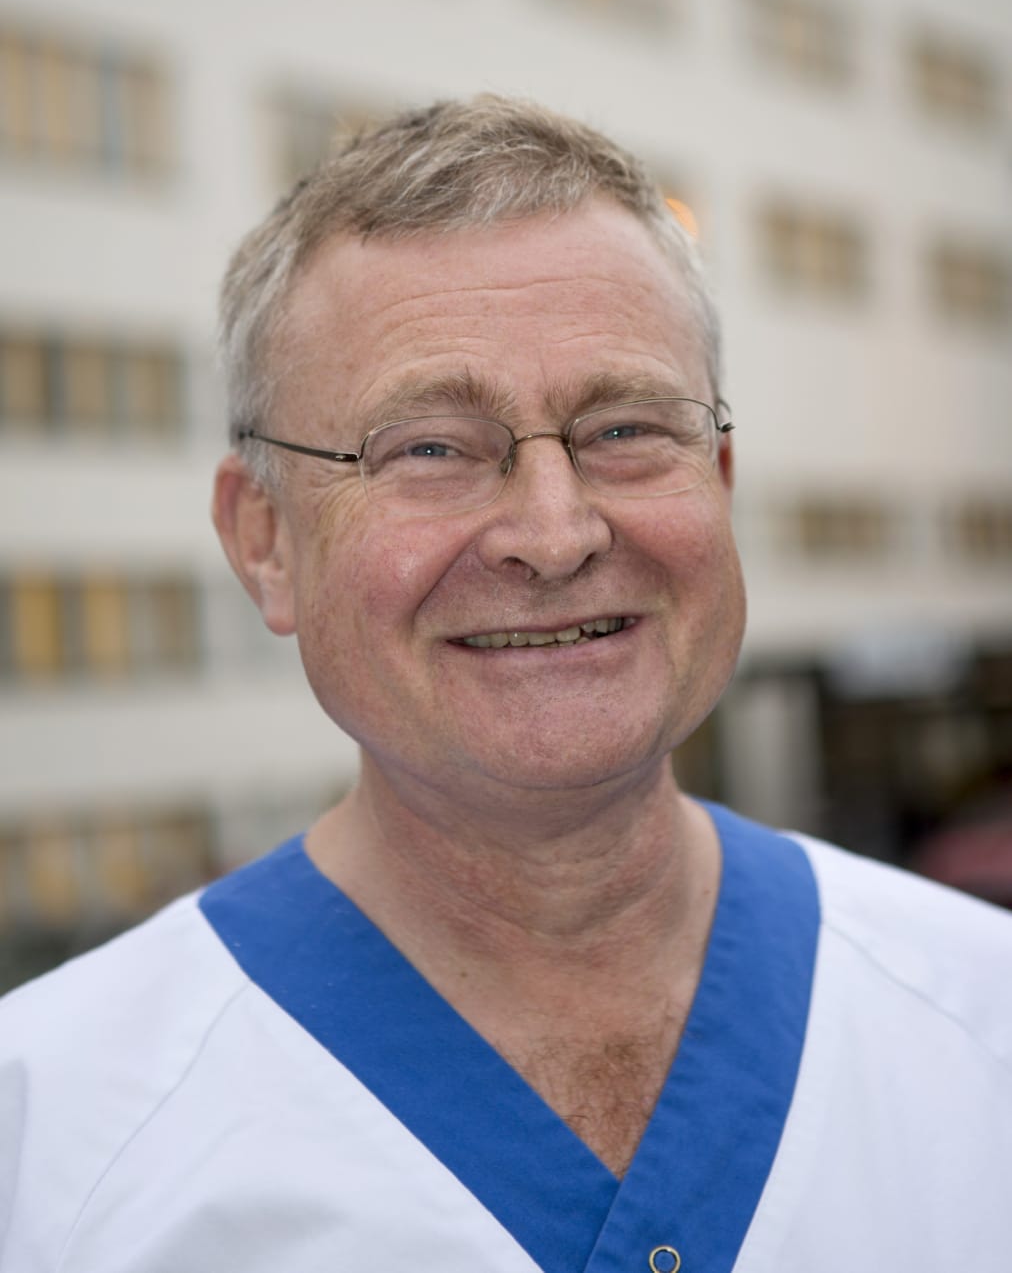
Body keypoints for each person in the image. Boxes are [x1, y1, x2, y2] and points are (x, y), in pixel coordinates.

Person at [1, 96, 1010, 1273]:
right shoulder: (50, 1140)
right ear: (264, 538)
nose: (554, 532)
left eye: (625, 429)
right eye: (428, 448)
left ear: (721, 480)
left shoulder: (981, 1012)